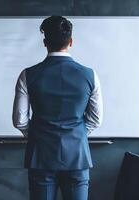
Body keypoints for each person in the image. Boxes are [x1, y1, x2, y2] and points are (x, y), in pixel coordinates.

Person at [12, 15, 103, 200]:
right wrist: (76, 135)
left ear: (45, 42)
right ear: (71, 41)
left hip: (41, 155)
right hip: (77, 156)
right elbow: (96, 119)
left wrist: (39, 135)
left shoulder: (27, 75)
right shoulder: (90, 75)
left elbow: (20, 120)